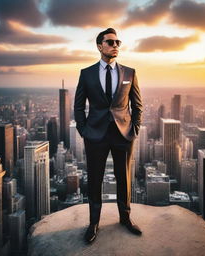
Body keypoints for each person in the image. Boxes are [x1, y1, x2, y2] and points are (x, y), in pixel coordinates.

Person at [74, 28, 143, 243]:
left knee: (124, 178)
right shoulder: (87, 73)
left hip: (123, 134)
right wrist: (84, 131)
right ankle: (94, 223)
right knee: (95, 180)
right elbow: (78, 106)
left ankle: (125, 219)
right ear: (99, 46)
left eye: (118, 42)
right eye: (110, 42)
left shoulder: (129, 72)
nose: (115, 45)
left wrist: (135, 128)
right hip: (95, 135)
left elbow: (137, 105)